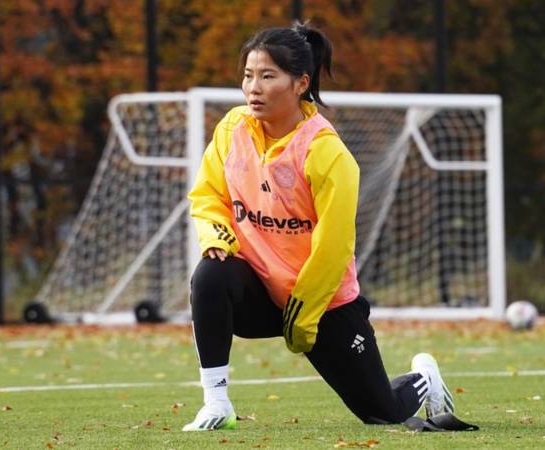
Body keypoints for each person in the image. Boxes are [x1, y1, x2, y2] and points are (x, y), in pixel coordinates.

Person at [183, 21, 455, 431]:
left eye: (267, 76)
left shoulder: (326, 151)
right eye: (248, 75)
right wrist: (216, 235)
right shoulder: (231, 129)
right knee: (210, 275)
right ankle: (216, 402)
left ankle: (425, 379)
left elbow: (335, 244)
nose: (253, 87)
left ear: (300, 83)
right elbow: (207, 196)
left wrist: (305, 314)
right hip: (258, 289)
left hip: (321, 301)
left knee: (382, 413)